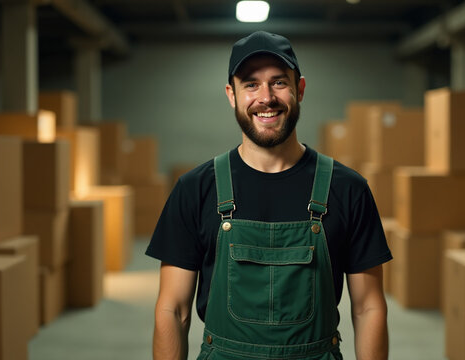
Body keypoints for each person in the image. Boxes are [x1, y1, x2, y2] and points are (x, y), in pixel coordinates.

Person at [147, 30, 391, 360]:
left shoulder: (348, 189)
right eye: (251, 84)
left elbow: (368, 308)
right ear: (231, 94)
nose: (266, 97)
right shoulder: (195, 189)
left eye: (278, 82)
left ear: (299, 89)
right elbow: (172, 311)